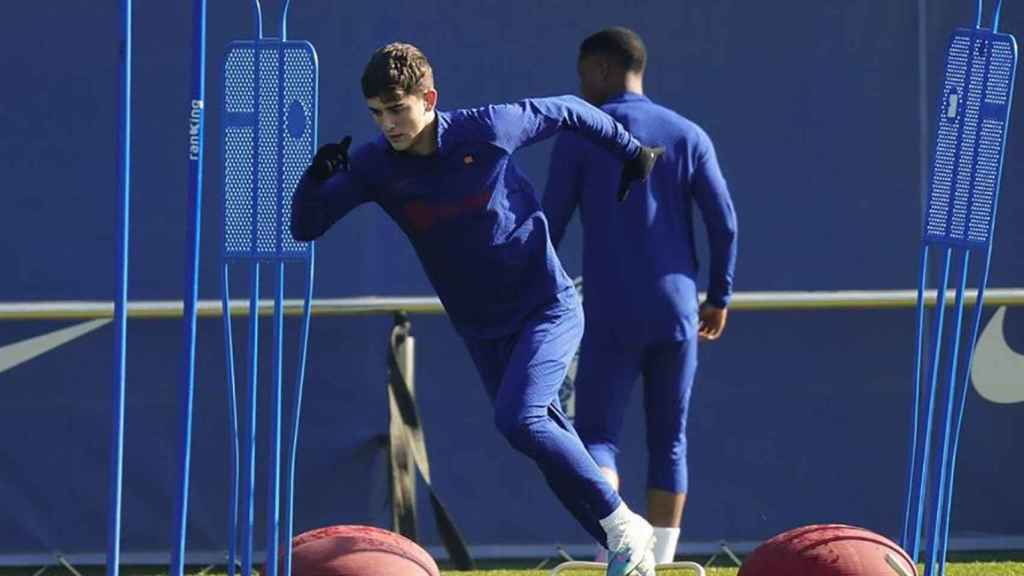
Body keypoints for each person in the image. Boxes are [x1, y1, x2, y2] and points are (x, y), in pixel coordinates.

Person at [290, 42, 666, 576]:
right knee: (538, 438)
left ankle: (626, 529)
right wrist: (317, 177)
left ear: (429, 99)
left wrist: (632, 152)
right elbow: (306, 226)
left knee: (522, 419)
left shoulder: (487, 128)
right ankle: (628, 548)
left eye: (398, 109)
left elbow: (568, 108)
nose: (389, 124)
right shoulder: (375, 164)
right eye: (377, 113)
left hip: (546, 309)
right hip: (481, 329)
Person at [543, 27, 738, 565]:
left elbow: (548, 228)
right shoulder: (688, 134)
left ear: (603, 70)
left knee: (597, 437)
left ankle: (621, 557)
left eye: (584, 74)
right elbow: (724, 225)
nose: (580, 86)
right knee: (669, 440)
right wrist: (718, 296)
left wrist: (538, 300)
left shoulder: (581, 135)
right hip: (677, 312)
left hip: (609, 311)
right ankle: (664, 562)